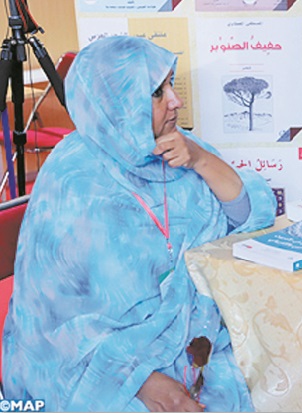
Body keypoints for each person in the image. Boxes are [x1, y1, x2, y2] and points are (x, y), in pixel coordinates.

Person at [2, 36, 277, 411]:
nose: (176, 101)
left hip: (194, 337)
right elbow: (55, 324)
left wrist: (200, 160)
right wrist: (141, 379)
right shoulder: (74, 180)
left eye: (170, 86)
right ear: (116, 101)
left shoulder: (177, 147)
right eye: (157, 92)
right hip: (98, 365)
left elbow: (250, 218)